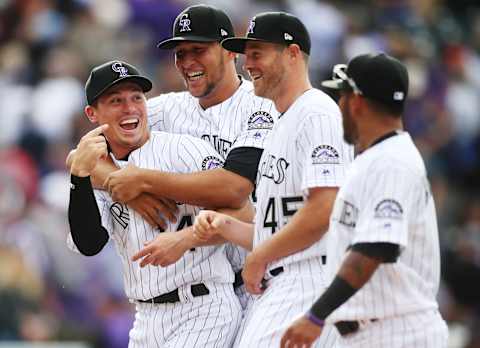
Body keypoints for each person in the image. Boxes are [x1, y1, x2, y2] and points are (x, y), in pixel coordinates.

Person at [75, 4, 278, 311]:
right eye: (180, 53)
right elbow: (81, 156)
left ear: (229, 52)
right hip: (212, 283)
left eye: (198, 50)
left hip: (266, 273)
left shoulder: (260, 106)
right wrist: (128, 192)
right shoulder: (167, 108)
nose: (187, 62)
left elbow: (234, 188)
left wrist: (142, 181)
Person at [194, 11, 353, 347]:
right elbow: (278, 229)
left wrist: (261, 255)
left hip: (309, 279)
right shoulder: (282, 121)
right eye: (245, 53)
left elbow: (325, 208)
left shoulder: (317, 113)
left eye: (257, 53)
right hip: (283, 282)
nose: (247, 63)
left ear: (292, 53)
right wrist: (226, 226)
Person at [67, 60, 241, 347]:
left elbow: (242, 211)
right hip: (146, 317)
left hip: (202, 305)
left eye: (137, 97)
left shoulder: (183, 149)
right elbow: (89, 243)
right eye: (116, 100)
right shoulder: (93, 169)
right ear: (92, 114)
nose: (130, 108)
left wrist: (186, 238)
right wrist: (78, 179)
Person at [280, 53, 449, 348]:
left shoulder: (392, 162)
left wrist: (315, 316)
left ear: (356, 101)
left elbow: (376, 248)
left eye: (342, 96)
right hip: (370, 331)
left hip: (397, 332)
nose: (339, 104)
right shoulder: (376, 158)